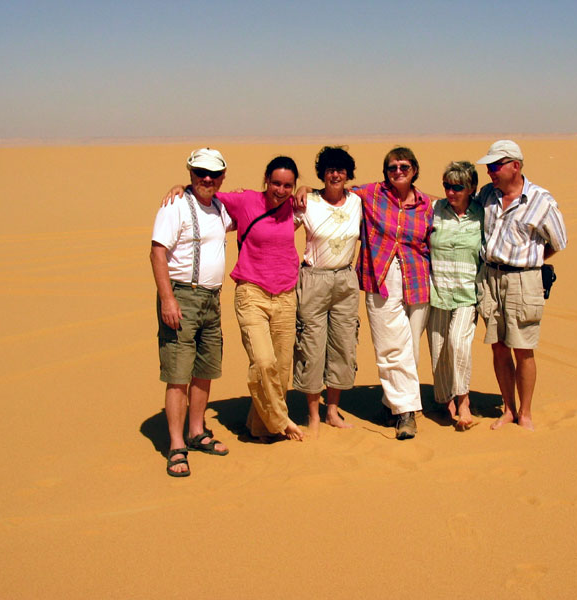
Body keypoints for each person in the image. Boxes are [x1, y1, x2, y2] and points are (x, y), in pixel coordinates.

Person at [162, 157, 305, 442]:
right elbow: (206, 191)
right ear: (266, 179)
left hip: (287, 294)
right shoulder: (245, 201)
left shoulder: (296, 205)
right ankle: (281, 420)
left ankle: (261, 428)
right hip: (252, 292)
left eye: (288, 185)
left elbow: (320, 195)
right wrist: (181, 186)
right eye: (276, 182)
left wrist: (307, 189)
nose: (281, 189)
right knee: (263, 362)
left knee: (281, 366)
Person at [474, 140, 567, 431]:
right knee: (499, 347)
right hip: (490, 277)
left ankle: (525, 413)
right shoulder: (486, 195)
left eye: (495, 166)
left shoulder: (541, 200)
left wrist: (530, 260)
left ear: (515, 165)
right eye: (489, 166)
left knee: (523, 348)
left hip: (523, 280)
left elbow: (559, 242)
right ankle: (508, 408)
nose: (490, 172)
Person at [150, 147, 232, 477]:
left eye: (213, 174)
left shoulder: (220, 208)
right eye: (200, 173)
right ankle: (175, 445)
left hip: (212, 300)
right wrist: (167, 299)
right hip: (182, 297)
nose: (207, 179)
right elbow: (157, 254)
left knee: (204, 370)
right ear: (190, 174)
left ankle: (197, 431)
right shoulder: (175, 206)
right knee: (177, 374)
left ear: (222, 177)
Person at [351, 147, 434, 440]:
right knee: (390, 348)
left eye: (403, 166)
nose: (397, 171)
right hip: (382, 279)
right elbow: (334, 193)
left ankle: (390, 404)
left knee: (410, 349)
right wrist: (308, 188)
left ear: (414, 169)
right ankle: (406, 414)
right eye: (392, 167)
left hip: (418, 281)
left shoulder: (428, 204)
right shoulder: (371, 194)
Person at [292, 147, 361, 435]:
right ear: (322, 173)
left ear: (348, 174)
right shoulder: (307, 201)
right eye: (330, 169)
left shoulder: (357, 201)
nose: (336, 174)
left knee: (344, 344)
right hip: (314, 279)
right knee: (311, 344)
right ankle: (313, 414)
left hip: (346, 279)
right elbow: (277, 225)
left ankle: (332, 410)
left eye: (341, 170)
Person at [426, 161, 484, 430]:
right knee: (439, 351)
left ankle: (464, 402)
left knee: (457, 343)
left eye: (457, 187)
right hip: (437, 291)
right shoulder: (435, 210)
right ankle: (445, 400)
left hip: (467, 293)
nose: (451, 192)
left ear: (471, 188)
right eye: (447, 186)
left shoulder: (482, 215)